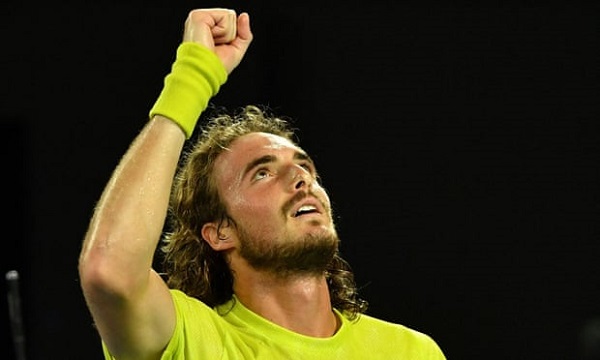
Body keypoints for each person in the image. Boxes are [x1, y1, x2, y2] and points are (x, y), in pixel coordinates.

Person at [78, 7, 447, 360]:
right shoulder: (193, 339)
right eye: (263, 172)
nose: (300, 178)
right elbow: (109, 272)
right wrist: (193, 77)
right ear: (220, 232)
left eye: (304, 167)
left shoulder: (412, 351)